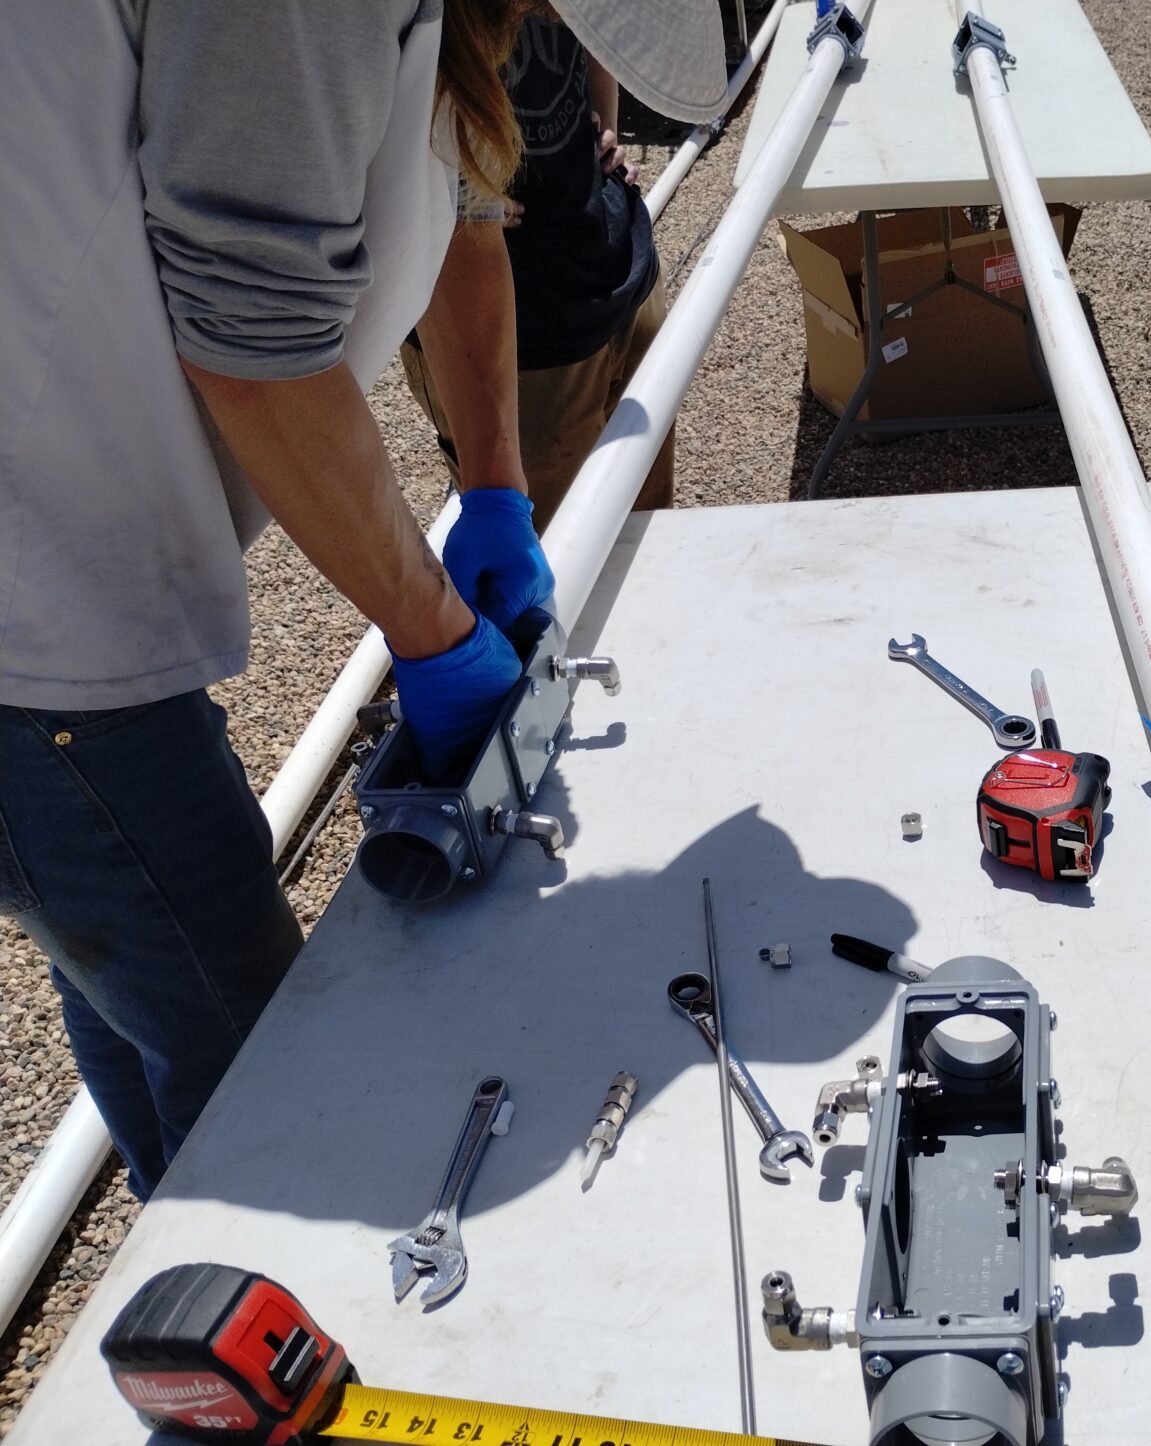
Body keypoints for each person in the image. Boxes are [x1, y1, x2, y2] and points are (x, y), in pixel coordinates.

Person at [0, 0, 725, 1202]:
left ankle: (177, 1252)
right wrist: (435, 632)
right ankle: (229, 1330)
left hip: (69, 548)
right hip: (37, 601)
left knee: (132, 990)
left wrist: (495, 489)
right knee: (259, 1071)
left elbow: (463, 204)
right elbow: (253, 343)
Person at [403, 6, 675, 532]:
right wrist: (448, 198)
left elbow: (598, 23)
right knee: (549, 562)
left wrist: (606, 126)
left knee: (647, 541)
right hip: (515, 336)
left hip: (618, 270)